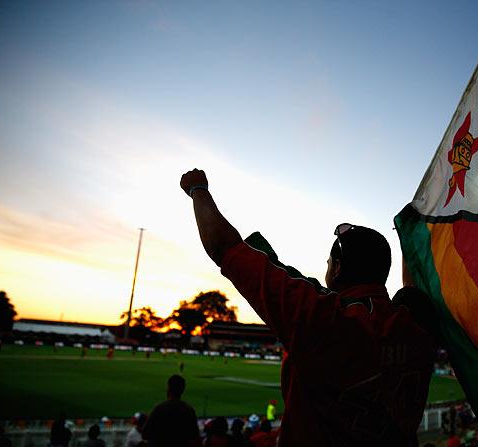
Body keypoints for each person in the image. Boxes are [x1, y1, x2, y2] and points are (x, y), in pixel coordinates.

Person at [180, 169, 436, 446]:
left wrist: (198, 189)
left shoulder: (322, 318)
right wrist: (410, 239)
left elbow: (223, 247)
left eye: (328, 263)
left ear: (336, 269)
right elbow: (413, 292)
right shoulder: (417, 323)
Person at [141, 374, 202, 447]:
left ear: (168, 388)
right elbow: (194, 437)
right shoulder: (189, 410)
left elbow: (145, 434)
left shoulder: (159, 408)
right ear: (182, 390)